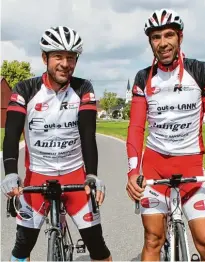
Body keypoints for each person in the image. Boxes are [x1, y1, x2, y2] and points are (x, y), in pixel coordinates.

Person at [126, 9, 205, 261]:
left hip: (191, 168)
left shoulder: (201, 71)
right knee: (152, 240)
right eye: (156, 37)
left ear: (180, 37)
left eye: (169, 35)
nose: (163, 43)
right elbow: (136, 128)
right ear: (150, 42)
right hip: (154, 168)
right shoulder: (143, 77)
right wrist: (133, 172)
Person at [1, 26, 112, 261]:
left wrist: (91, 175)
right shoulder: (25, 89)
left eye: (71, 58)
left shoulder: (83, 89)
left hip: (74, 176)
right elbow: (11, 136)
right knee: (22, 248)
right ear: (45, 58)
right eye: (58, 56)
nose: (65, 63)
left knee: (98, 247)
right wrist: (10, 173)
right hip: (37, 177)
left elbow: (87, 135)